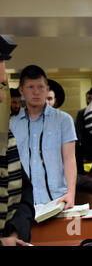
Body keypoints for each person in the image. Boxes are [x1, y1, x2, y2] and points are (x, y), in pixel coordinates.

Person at [9, 65, 77, 209]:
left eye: (40, 87)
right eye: (30, 87)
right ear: (21, 90)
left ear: (47, 89)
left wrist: (71, 193)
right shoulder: (12, 124)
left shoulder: (64, 120)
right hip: (22, 203)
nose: (36, 92)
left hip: (58, 199)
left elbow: (69, 159)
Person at [0, 35, 34, 246]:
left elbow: (24, 193)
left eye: (2, 85)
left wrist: (14, 233)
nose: (2, 97)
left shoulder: (4, 135)